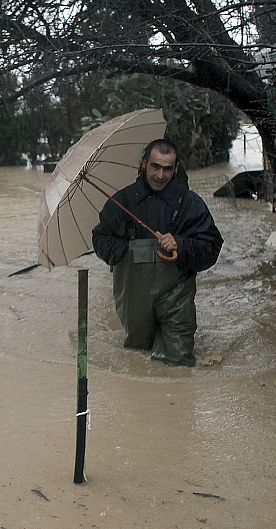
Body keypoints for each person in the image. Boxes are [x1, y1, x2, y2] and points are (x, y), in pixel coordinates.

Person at [92, 139, 223, 367]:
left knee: (179, 362)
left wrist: (181, 245)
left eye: (167, 169)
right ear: (144, 164)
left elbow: (211, 246)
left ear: (176, 169)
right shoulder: (121, 202)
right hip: (134, 301)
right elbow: (100, 240)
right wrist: (130, 249)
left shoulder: (189, 203)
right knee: (136, 359)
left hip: (177, 300)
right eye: (155, 167)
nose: (160, 175)